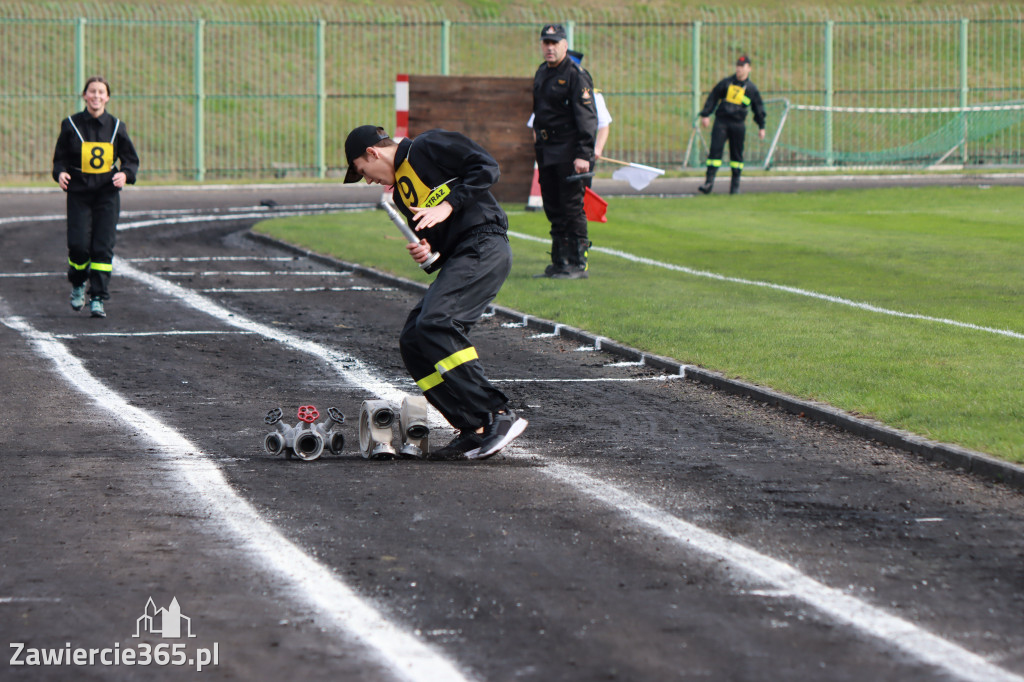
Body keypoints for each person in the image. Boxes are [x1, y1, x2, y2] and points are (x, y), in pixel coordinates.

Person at [343, 124, 528, 460]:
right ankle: (474, 426)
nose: (368, 180)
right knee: (414, 340)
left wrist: (449, 205)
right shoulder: (401, 195)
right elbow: (438, 251)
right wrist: (427, 253)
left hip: (485, 244)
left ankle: (497, 413)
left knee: (437, 322)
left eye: (362, 171)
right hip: (461, 256)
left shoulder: (427, 146)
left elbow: (487, 167)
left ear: (373, 153)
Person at [52, 75, 140, 318]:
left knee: (102, 247)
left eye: (101, 92)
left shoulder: (116, 126)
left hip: (107, 194)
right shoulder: (70, 125)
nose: (97, 96)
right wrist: (60, 174)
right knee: (79, 246)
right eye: (92, 91)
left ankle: (98, 297)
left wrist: (125, 174)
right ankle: (79, 283)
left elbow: (130, 159)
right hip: (79, 193)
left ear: (107, 97)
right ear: (85, 95)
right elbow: (60, 159)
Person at [532, 24, 598, 279]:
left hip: (570, 151)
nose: (550, 47)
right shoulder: (542, 72)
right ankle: (559, 261)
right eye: (546, 42)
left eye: (554, 43)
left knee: (571, 206)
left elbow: (587, 118)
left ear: (565, 45)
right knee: (553, 206)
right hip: (547, 150)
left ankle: (577, 263)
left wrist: (584, 154)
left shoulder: (575, 75)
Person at [697, 55, 766, 195]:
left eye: (742, 66)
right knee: (715, 153)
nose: (739, 69)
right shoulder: (726, 83)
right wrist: (705, 114)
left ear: (749, 68)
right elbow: (713, 97)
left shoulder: (751, 89)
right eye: (738, 66)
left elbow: (758, 108)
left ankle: (735, 187)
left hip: (738, 124)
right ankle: (708, 183)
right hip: (722, 122)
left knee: (737, 156)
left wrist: (761, 126)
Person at [567, 50, 612, 190]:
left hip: (581, 155)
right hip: (555, 155)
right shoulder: (549, 91)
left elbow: (603, 125)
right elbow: (536, 123)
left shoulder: (591, 95)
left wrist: (597, 149)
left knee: (579, 200)